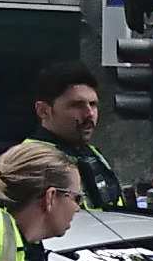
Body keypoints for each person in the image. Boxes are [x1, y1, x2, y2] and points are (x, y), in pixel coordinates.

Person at [23, 61, 125, 210]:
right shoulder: (29, 160)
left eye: (93, 104)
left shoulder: (92, 153)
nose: (89, 113)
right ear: (43, 111)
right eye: (77, 105)